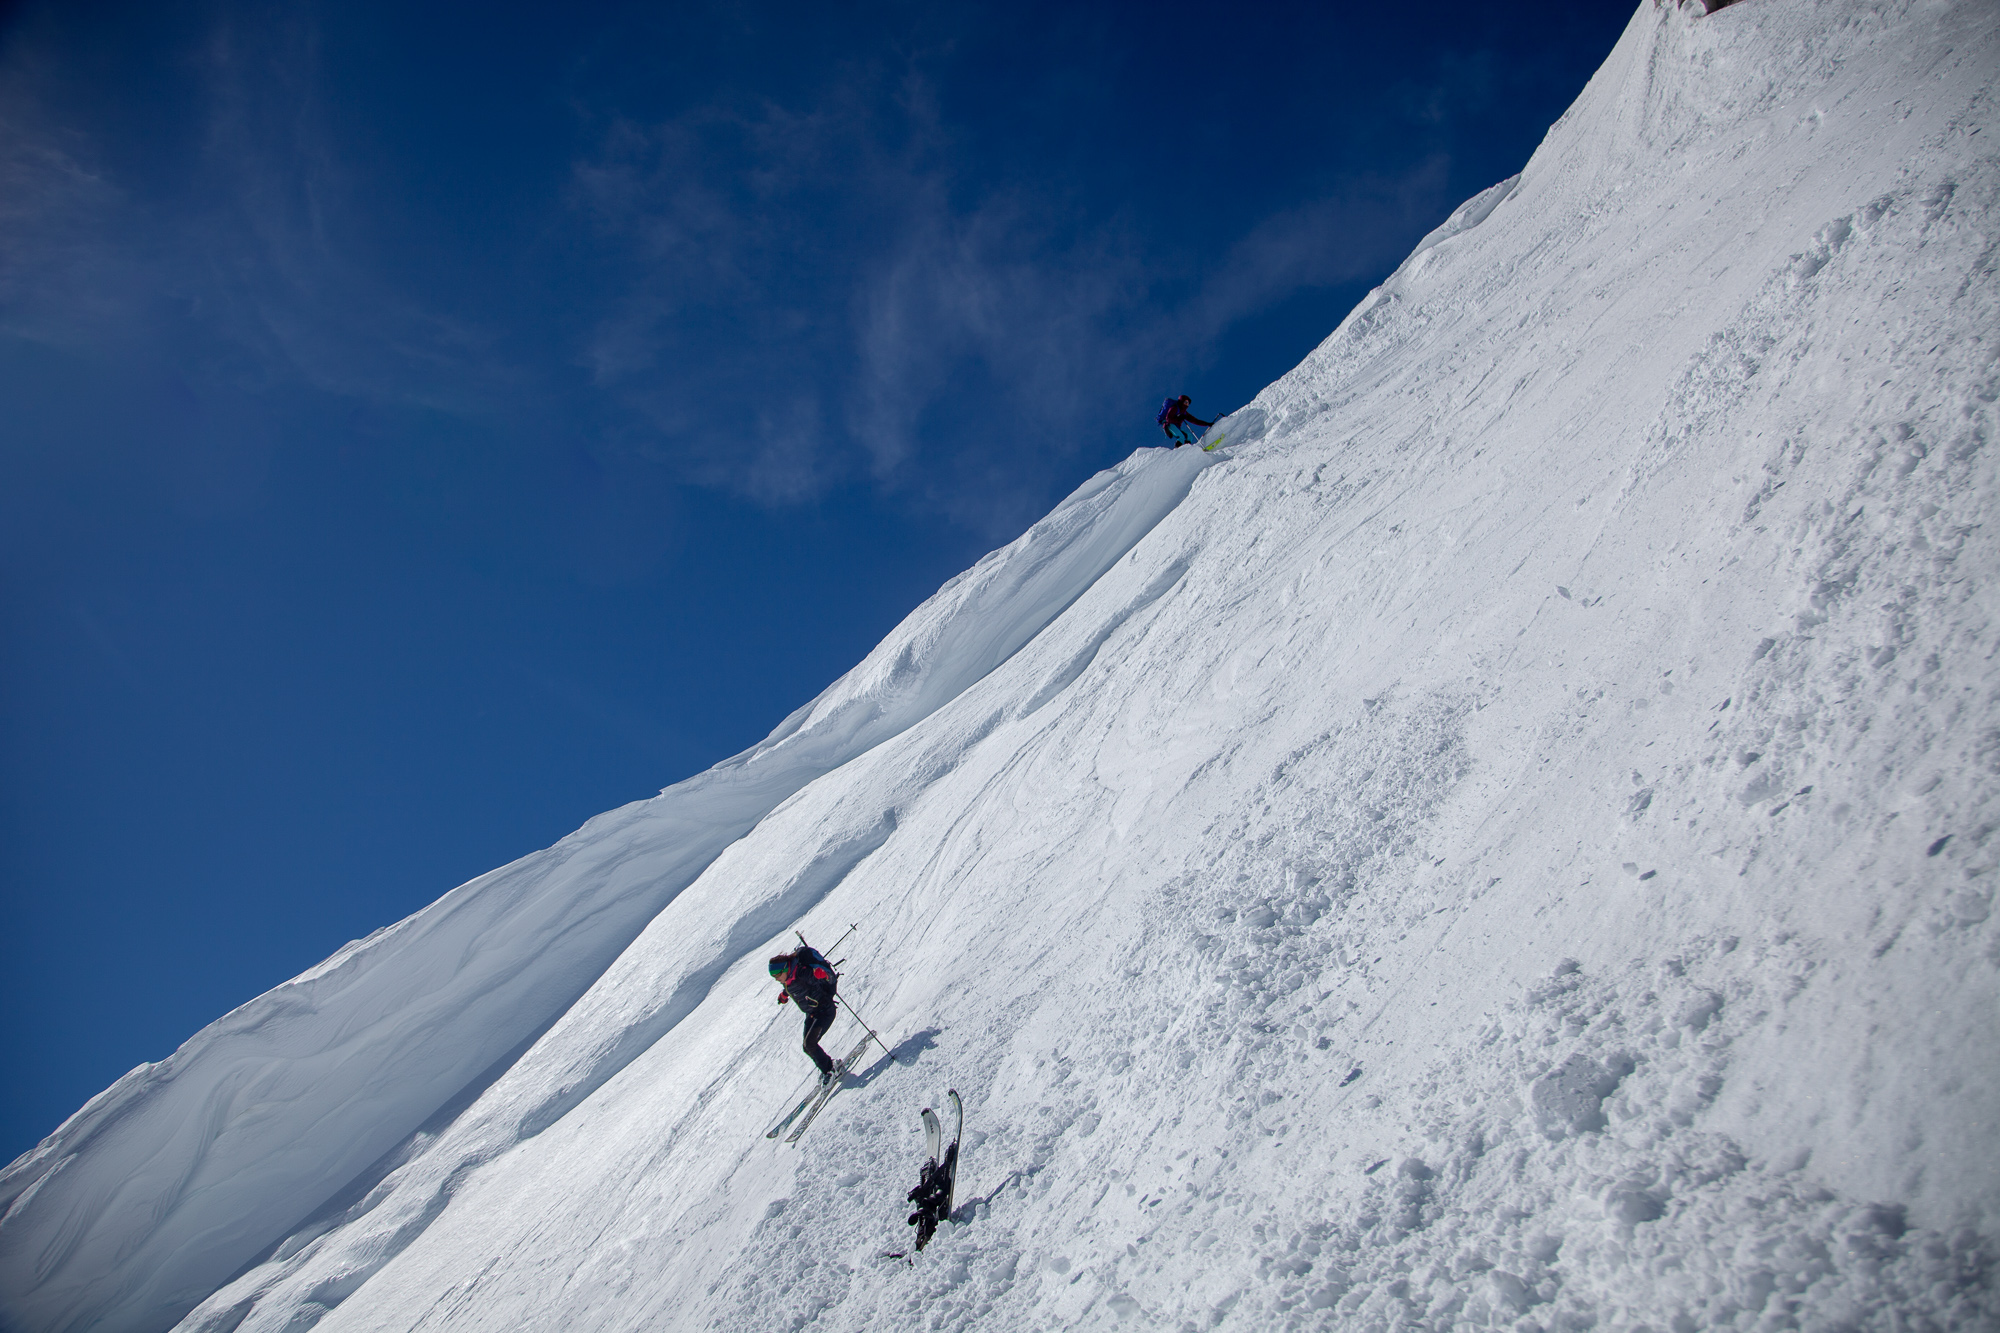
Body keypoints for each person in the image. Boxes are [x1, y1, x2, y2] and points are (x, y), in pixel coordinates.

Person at [769, 945, 840, 1086]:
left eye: (777, 976)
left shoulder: (803, 973)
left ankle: (830, 1070)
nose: (776, 979)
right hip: (812, 1013)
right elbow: (791, 986)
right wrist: (784, 994)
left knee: (810, 1044)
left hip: (825, 1010)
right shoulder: (789, 979)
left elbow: (830, 979)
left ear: (785, 969)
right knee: (807, 1047)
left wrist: (824, 975)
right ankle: (830, 1067)